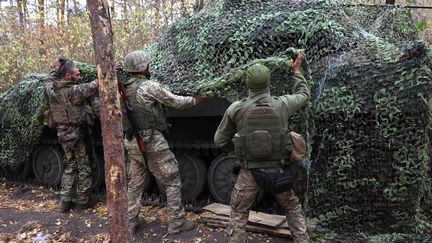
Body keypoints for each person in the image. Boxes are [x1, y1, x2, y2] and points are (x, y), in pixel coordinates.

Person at [214, 53, 310, 243]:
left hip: (249, 171)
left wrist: (236, 151)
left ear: (248, 84)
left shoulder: (236, 108)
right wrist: (297, 72)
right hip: (279, 171)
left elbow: (219, 140)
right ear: (268, 83)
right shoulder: (282, 104)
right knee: (291, 207)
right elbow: (304, 95)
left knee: (239, 212)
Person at [121, 51, 207, 236]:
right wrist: (197, 100)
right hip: (151, 141)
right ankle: (176, 222)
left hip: (131, 141)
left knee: (135, 184)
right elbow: (176, 102)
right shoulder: (149, 87)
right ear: (143, 67)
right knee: (173, 179)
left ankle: (130, 223)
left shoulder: (123, 88)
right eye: (147, 64)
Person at [46, 61, 99, 213]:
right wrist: (108, 69)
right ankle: (82, 202)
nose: (80, 76)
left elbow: (49, 81)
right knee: (84, 168)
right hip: (79, 137)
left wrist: (56, 68)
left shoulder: (52, 91)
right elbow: (94, 85)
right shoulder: (75, 91)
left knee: (69, 167)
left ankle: (65, 202)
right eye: (77, 74)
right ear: (68, 76)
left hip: (63, 136)